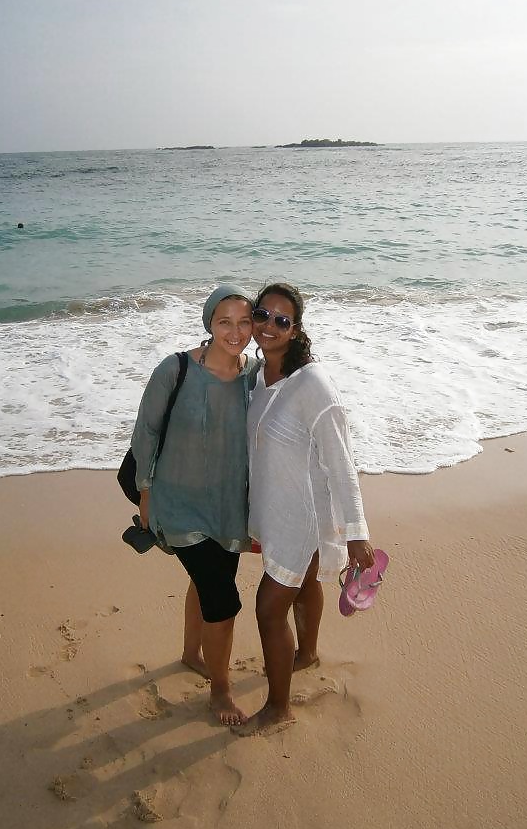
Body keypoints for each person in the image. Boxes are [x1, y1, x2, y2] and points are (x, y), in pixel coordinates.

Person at [243, 282, 376, 733]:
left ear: (296, 329)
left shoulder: (314, 385)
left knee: (267, 608)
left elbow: (342, 462)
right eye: (262, 315)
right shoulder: (259, 377)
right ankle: (308, 653)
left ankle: (278, 709)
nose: (269, 327)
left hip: (301, 516)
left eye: (282, 320)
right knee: (302, 588)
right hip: (276, 507)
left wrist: (358, 531)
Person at [130, 286, 258, 725]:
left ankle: (190, 654)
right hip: (177, 500)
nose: (235, 331)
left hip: (227, 504)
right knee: (222, 598)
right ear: (209, 323)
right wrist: (146, 494)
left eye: (244, 322)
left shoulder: (255, 374)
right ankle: (220, 692)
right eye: (225, 321)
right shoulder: (176, 368)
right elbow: (145, 432)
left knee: (211, 578)